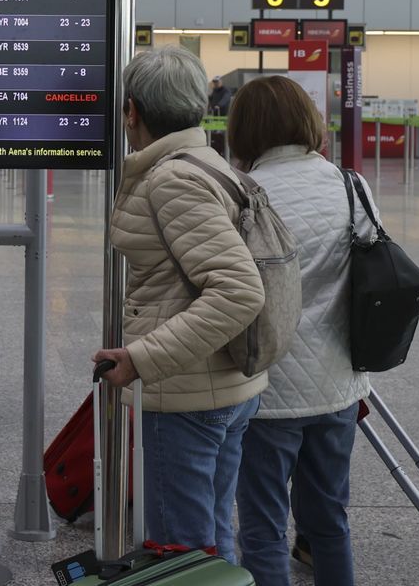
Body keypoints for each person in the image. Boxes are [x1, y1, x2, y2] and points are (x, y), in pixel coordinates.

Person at [91, 45, 266, 563]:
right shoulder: (207, 163)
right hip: (226, 384)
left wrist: (142, 359)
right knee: (212, 537)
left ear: (132, 111)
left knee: (181, 552)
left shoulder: (171, 179)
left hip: (188, 397)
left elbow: (239, 290)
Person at [229, 76, 376, 586]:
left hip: (267, 392)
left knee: (263, 531)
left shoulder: (244, 194)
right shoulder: (350, 185)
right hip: (337, 385)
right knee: (329, 522)